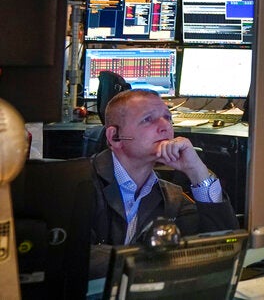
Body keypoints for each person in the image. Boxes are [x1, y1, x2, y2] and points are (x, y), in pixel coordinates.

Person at [89, 89, 236, 276]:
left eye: (168, 117)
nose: (165, 126)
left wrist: (197, 171)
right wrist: (151, 260)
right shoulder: (78, 184)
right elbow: (73, 256)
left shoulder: (171, 197)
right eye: (148, 119)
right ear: (115, 137)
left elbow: (221, 249)